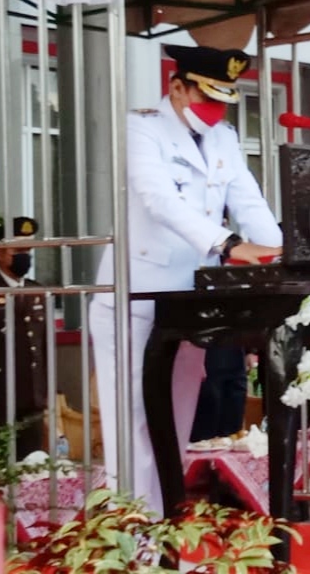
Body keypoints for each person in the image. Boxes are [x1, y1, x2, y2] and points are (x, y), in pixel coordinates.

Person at [90, 44, 282, 515]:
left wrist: (283, 254)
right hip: (133, 298)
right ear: (176, 87)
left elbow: (249, 200)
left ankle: (162, 539)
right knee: (133, 429)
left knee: (173, 430)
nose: (215, 111)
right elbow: (159, 201)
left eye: (224, 101)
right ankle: (132, 545)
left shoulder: (223, 137)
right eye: (208, 98)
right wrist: (229, 245)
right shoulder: (141, 127)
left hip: (188, 303)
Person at [0, 216, 47, 457]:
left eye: (28, 251)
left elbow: (44, 346)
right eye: (18, 250)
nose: (24, 257)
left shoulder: (36, 290)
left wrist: (48, 388)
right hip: (0, 395)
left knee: (33, 463)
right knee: (0, 462)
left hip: (33, 394)